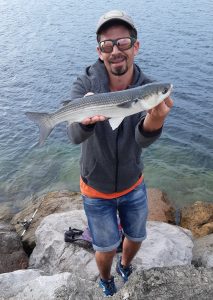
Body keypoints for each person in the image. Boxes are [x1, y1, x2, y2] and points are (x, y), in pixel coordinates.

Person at [67, 10, 173, 296]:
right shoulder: (85, 85)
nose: (115, 50)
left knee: (137, 236)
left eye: (123, 42)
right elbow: (74, 137)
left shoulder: (146, 87)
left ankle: (125, 266)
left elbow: (143, 140)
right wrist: (85, 121)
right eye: (107, 45)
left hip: (132, 183)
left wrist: (156, 120)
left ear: (135, 46)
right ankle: (106, 279)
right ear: (99, 51)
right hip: (95, 188)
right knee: (104, 247)